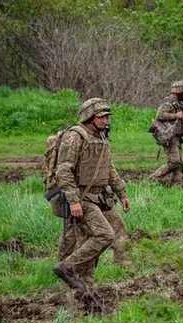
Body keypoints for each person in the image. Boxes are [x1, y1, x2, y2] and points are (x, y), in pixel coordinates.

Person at [53, 98, 132, 292]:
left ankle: (85, 287)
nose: (106, 120)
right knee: (105, 235)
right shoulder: (75, 136)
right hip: (82, 198)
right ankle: (67, 267)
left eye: (107, 116)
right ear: (89, 117)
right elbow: (63, 171)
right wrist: (73, 201)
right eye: (101, 117)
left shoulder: (102, 137)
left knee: (98, 236)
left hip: (100, 197)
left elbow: (109, 168)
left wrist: (122, 193)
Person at [149, 81, 183, 185]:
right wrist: (176, 116)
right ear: (179, 91)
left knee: (180, 164)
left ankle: (177, 186)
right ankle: (152, 179)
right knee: (174, 162)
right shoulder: (168, 103)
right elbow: (160, 116)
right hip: (169, 137)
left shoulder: (179, 103)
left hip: (176, 137)